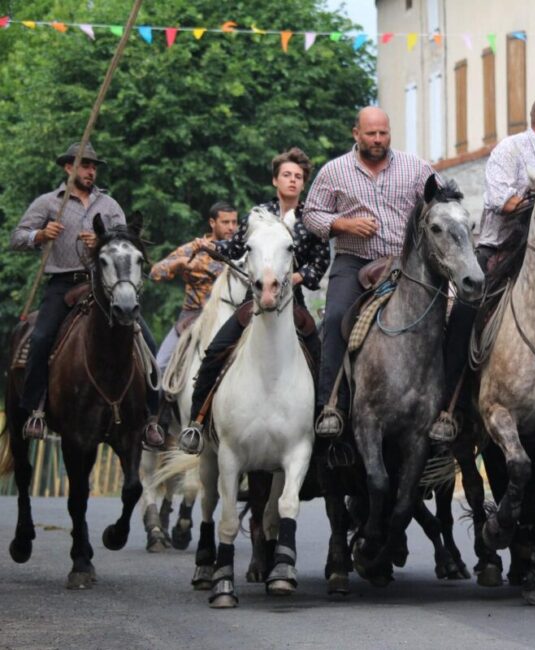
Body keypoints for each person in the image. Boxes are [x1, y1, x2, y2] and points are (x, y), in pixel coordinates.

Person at [443, 93, 535, 407]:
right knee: (463, 315)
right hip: (501, 248)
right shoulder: (510, 150)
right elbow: (503, 200)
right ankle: (449, 407)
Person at [10, 142, 163, 446]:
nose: (91, 171)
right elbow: (16, 238)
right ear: (69, 167)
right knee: (40, 339)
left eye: (93, 167)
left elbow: (126, 241)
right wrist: (39, 235)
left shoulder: (109, 206)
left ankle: (151, 419)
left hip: (104, 285)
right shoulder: (48, 203)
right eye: (85, 166)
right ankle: (36, 410)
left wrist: (101, 241)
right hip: (62, 284)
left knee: (148, 341)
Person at [178, 148, 329, 453]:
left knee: (321, 357)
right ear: (275, 180)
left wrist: (300, 277)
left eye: (298, 177)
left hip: (293, 302)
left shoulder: (312, 220)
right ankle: (196, 423)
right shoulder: (258, 215)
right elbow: (234, 247)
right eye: (286, 175)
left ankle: (322, 423)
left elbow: (320, 260)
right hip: (254, 301)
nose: (292, 180)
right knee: (216, 351)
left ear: (304, 184)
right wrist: (210, 246)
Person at [303, 107, 437, 437]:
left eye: (383, 133)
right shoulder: (333, 172)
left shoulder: (417, 168)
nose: (378, 140)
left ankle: (446, 408)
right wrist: (343, 224)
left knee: (443, 317)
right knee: (335, 318)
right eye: (371, 134)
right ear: (356, 134)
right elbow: (311, 214)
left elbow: (441, 202)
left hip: (406, 264)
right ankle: (331, 406)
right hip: (355, 262)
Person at [150, 201, 238, 385]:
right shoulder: (193, 248)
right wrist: (179, 263)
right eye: (225, 222)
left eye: (234, 222)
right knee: (159, 369)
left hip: (231, 318)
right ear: (212, 223)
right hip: (193, 317)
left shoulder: (239, 251)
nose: (231, 227)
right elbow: (155, 273)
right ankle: (156, 413)